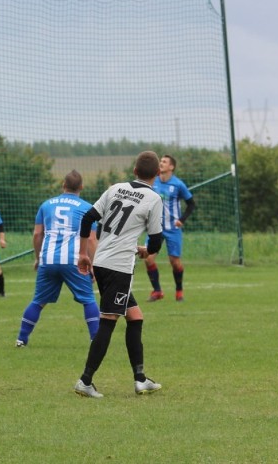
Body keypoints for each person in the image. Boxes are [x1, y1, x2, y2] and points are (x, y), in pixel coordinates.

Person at [73, 151, 164, 399]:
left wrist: (83, 254)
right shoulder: (154, 198)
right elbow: (156, 241)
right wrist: (146, 250)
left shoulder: (115, 188)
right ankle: (85, 380)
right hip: (118, 267)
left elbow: (88, 218)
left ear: (134, 171)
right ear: (157, 174)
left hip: (101, 262)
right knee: (109, 320)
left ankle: (140, 379)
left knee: (135, 317)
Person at [16, 170, 99, 347]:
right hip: (74, 261)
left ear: (63, 185)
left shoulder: (46, 205)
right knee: (88, 299)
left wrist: (38, 258)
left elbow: (38, 234)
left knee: (38, 301)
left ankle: (21, 339)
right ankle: (96, 340)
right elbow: (91, 239)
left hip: (49, 259)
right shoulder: (87, 208)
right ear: (82, 187)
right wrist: (93, 264)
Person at [144, 154, 195, 302]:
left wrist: (182, 220)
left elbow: (191, 204)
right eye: (160, 161)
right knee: (148, 259)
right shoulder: (153, 182)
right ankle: (157, 291)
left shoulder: (178, 184)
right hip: (156, 228)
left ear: (171, 167)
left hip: (173, 228)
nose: (161, 163)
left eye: (164, 162)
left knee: (175, 262)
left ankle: (179, 291)